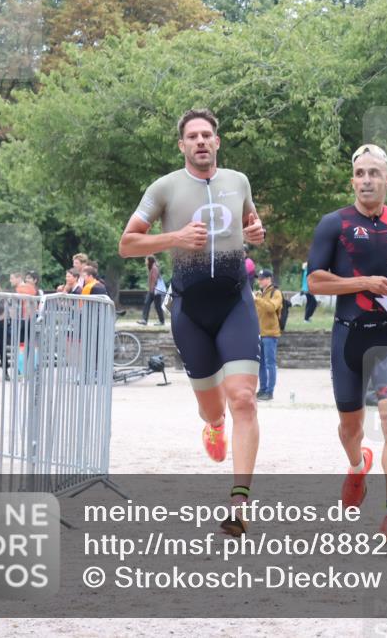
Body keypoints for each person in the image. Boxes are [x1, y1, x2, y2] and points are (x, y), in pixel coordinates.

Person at [119, 108, 266, 535]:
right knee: (213, 408)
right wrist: (175, 238)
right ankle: (214, 427)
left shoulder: (238, 181)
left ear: (217, 141)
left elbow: (251, 223)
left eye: (207, 135)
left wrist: (256, 233)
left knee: (244, 398)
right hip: (190, 310)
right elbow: (127, 243)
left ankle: (240, 502)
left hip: (236, 303)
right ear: (182, 144)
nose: (200, 141)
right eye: (193, 136)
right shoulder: (164, 187)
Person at [306, 143, 387, 544]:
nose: (366, 180)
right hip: (349, 336)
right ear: (352, 181)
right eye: (360, 174)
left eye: (374, 173)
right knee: (351, 427)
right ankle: (357, 466)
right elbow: (315, 281)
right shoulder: (334, 223)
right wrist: (365, 283)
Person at [254, 268, 283, 401]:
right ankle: (262, 389)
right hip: (260, 333)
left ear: (269, 279)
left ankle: (269, 392)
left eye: (262, 279)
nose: (259, 281)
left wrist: (257, 299)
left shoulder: (276, 293)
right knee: (261, 364)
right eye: (259, 279)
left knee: (270, 364)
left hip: (270, 334)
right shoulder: (260, 294)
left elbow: (271, 308)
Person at [138, 255, 166, 325]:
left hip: (154, 291)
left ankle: (161, 321)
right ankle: (145, 320)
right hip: (152, 290)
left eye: (147, 260)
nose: (146, 262)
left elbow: (154, 279)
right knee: (147, 303)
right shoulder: (152, 268)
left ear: (150, 261)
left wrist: (152, 289)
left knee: (156, 306)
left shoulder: (154, 268)